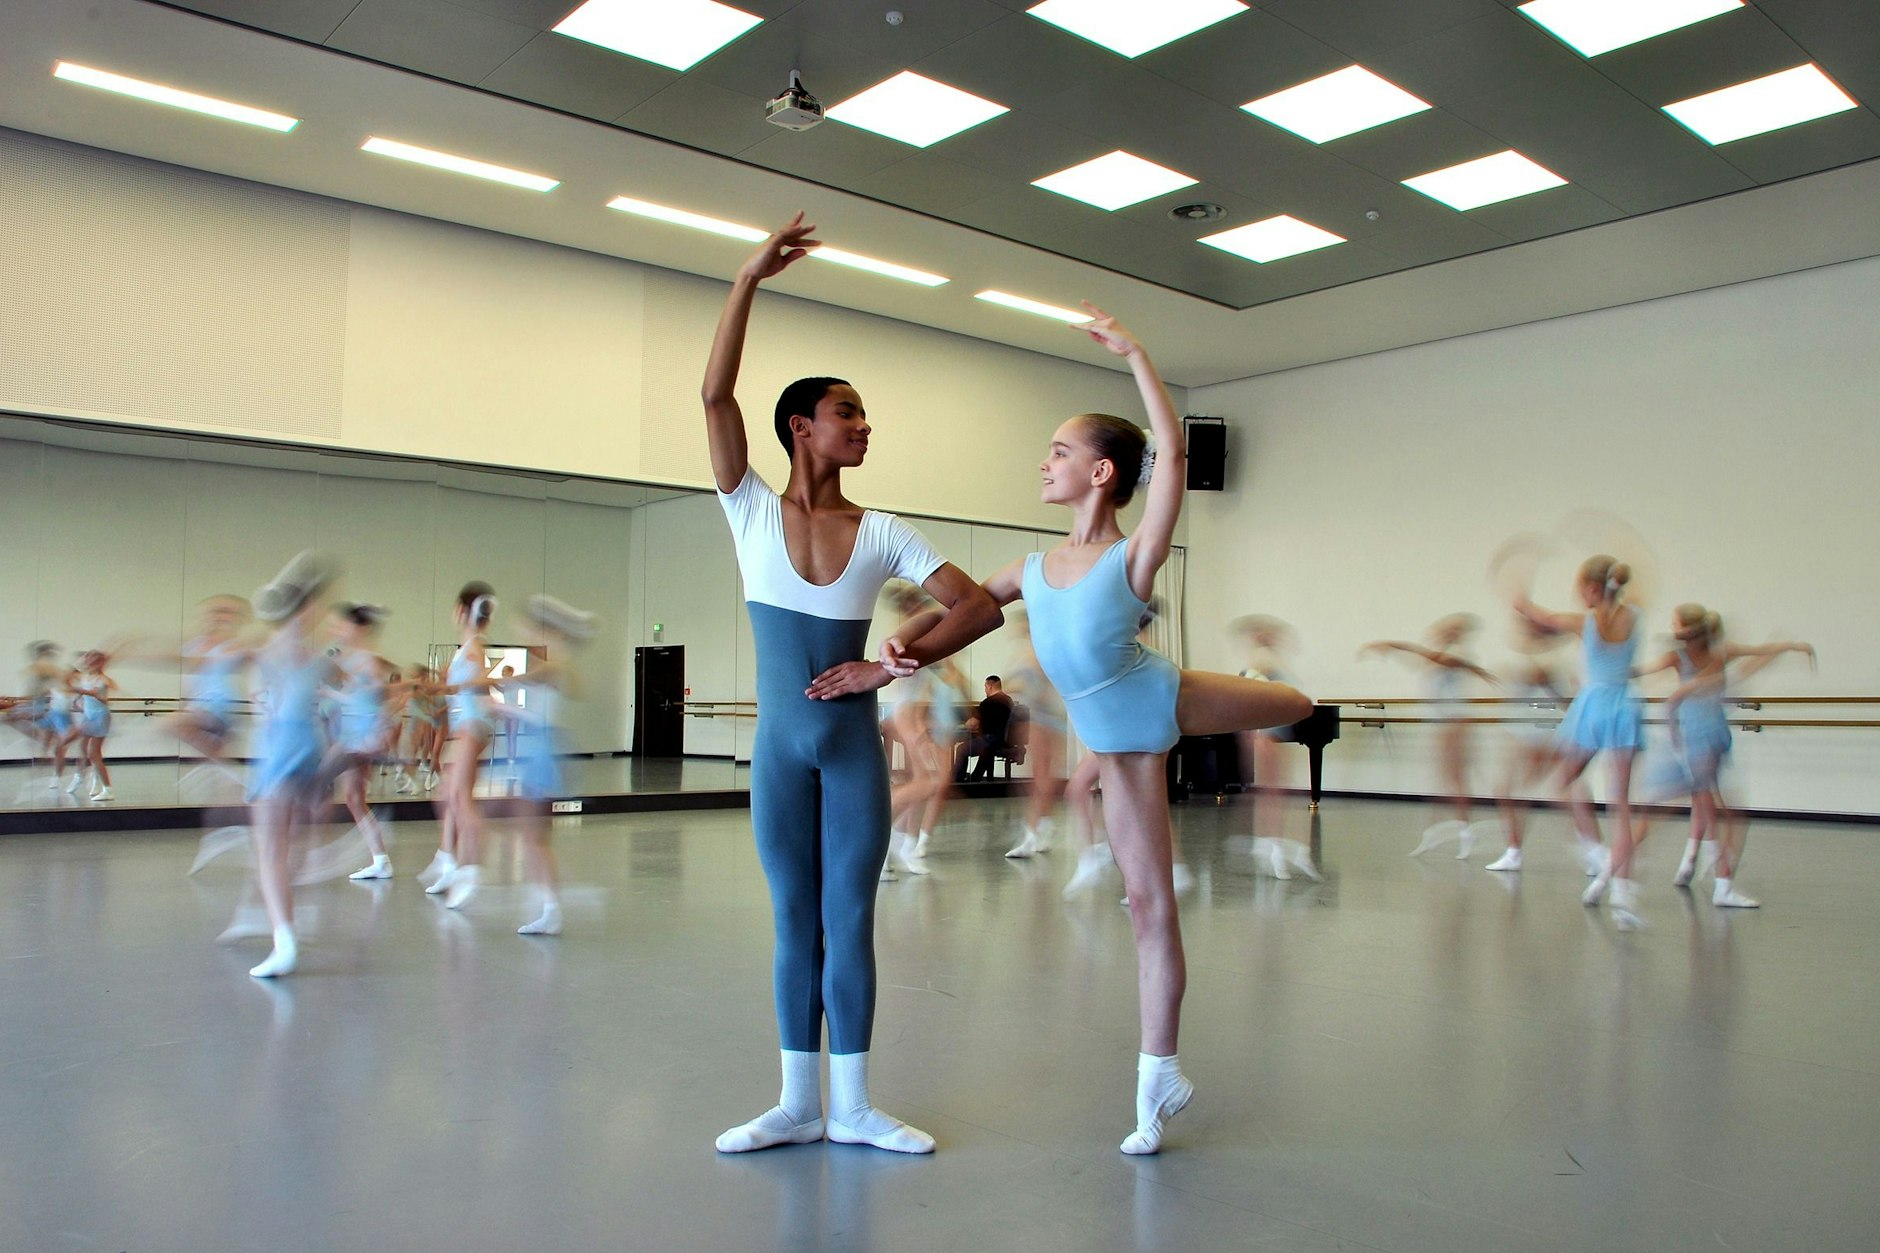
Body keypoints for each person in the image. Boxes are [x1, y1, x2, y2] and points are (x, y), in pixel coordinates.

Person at [887, 304, 1310, 1153]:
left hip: (1158, 700)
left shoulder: (1134, 555)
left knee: (1294, 704)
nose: (1044, 461)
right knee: (1147, 902)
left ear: (1103, 471)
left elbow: (1173, 460)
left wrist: (1137, 355)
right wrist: (902, 648)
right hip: (1123, 738)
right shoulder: (1029, 568)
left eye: (1059, 450)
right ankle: (1161, 1078)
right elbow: (964, 610)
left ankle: (1278, 694)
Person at [704, 213, 998, 1155]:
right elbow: (715, 395)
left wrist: (887, 659)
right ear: (802, 426)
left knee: (851, 919)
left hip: (849, 751)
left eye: (865, 414)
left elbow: (977, 607)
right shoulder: (749, 508)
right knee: (795, 922)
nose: (865, 425)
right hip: (780, 754)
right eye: (848, 411)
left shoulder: (884, 531)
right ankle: (798, 1103)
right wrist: (748, 278)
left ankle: (857, 1106)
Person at [1634, 604, 1814, 908]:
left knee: (1705, 807)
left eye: (1676, 624)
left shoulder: (1718, 654)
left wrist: (1790, 646)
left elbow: (1757, 654)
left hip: (1709, 737)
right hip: (1697, 740)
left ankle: (1690, 863)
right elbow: (1654, 682)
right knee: (1720, 813)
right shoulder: (1688, 658)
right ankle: (1716, 880)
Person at [1515, 556, 1644, 928]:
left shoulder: (1584, 622)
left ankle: (1593, 849)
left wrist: (1521, 601)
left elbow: (1542, 618)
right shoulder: (1633, 616)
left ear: (1591, 589)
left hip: (1594, 706)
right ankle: (1622, 894)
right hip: (1624, 705)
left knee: (1563, 780)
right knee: (1621, 805)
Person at [244, 551, 340, 978]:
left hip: (280, 749)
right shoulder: (317, 657)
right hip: (310, 745)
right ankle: (284, 916)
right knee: (291, 843)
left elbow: (262, 707)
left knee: (269, 851)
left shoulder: (267, 652)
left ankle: (284, 940)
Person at [1361, 615, 1497, 859]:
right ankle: (1436, 832)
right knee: (1442, 781)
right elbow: (1428, 662)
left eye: (1451, 630)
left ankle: (1465, 831)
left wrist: (1393, 645)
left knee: (1454, 780)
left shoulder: (1454, 654)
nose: (1443, 633)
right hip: (1444, 725)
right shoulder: (1443, 657)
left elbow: (1438, 659)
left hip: (1454, 725)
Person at [502, 594, 597, 936]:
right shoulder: (556, 664)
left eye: (533, 630)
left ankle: (551, 904)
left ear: (551, 632)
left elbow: (514, 686)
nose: (527, 634)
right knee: (533, 833)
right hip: (544, 748)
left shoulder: (553, 665)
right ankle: (548, 899)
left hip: (544, 751)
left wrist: (487, 694)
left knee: (534, 835)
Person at [421, 583, 499, 909]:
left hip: (472, 726)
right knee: (446, 796)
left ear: (463, 611)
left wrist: (462, 684)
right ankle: (448, 861)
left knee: (460, 799)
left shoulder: (474, 647)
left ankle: (470, 869)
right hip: (466, 726)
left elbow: (483, 680)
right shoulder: (465, 647)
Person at [954, 676, 1016, 782]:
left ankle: (958, 781)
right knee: (983, 748)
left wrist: (962, 725)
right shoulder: (1009, 700)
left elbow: (973, 724)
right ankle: (975, 779)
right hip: (1004, 740)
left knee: (961, 749)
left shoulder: (988, 703)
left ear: (990, 686)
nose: (985, 690)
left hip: (991, 740)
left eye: (985, 687)